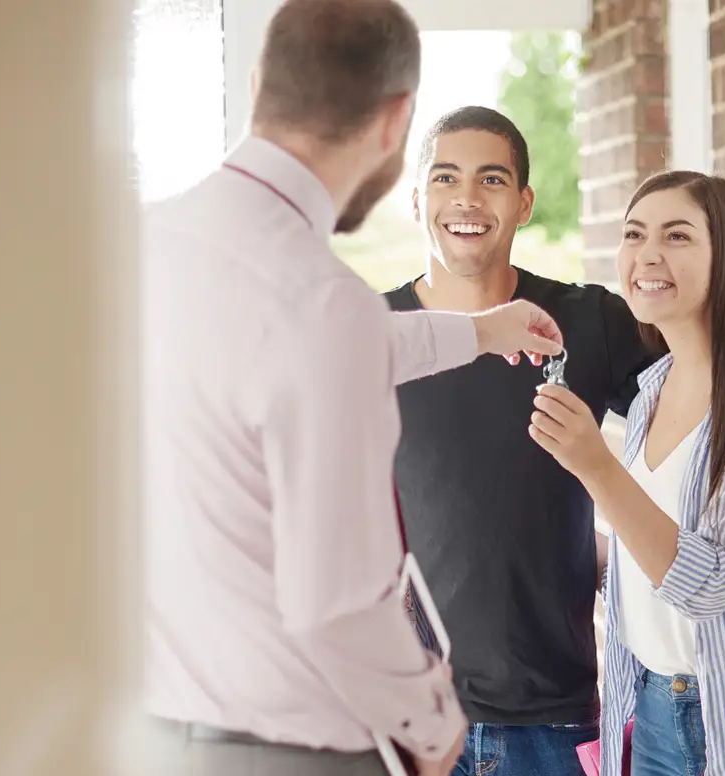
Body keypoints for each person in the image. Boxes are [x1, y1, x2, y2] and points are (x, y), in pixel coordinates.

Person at [139, 3, 570, 775]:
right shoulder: (319, 302)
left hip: (150, 733)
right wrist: (432, 723)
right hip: (292, 752)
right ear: (397, 120)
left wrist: (480, 331)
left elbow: (305, 352)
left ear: (261, 81)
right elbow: (336, 604)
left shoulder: (145, 243)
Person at [383, 107, 725, 776]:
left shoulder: (588, 321)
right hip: (419, 712)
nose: (467, 198)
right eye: (446, 177)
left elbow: (714, 385)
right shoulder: (372, 337)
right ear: (417, 198)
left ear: (524, 203)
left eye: (491, 179)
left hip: (560, 714)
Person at [527, 171, 725, 776]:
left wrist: (595, 466)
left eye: (677, 237)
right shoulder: (650, 392)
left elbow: (709, 583)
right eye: (634, 234)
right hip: (652, 713)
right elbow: (649, 557)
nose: (647, 255)